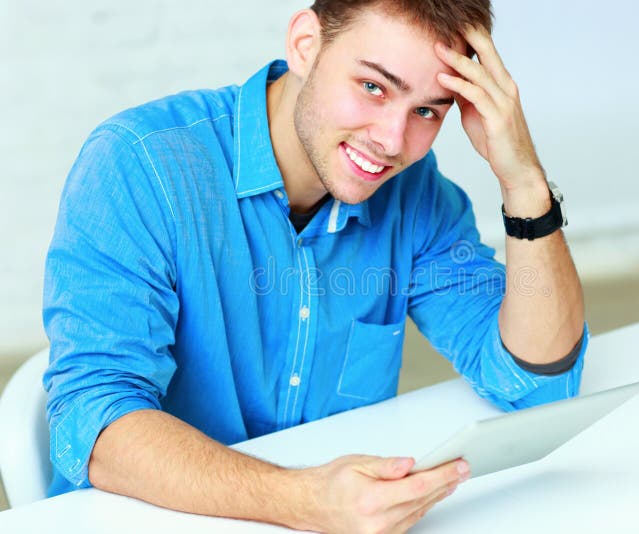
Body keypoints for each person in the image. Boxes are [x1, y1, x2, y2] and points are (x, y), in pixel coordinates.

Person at [42, 0, 587, 531]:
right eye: (373, 87)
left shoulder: (415, 196)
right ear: (306, 45)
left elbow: (536, 382)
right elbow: (95, 422)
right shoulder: (139, 165)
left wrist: (525, 183)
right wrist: (302, 501)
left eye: (426, 110)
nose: (392, 141)